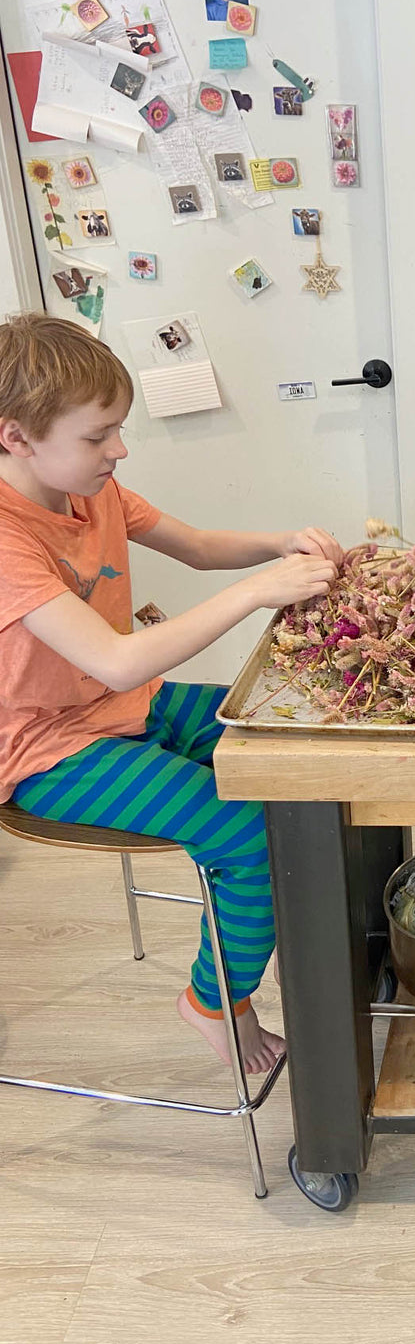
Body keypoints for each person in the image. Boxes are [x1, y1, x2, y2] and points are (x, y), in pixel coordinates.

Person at [0, 314, 340, 1070]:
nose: (118, 451)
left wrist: (278, 543)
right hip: (47, 752)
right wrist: (261, 590)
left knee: (302, 747)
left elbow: (197, 548)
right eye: (97, 437)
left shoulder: (95, 494)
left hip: (123, 707)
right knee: (246, 834)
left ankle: (303, 939)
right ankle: (215, 998)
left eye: (118, 430)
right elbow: (118, 660)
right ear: (16, 437)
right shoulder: (7, 537)